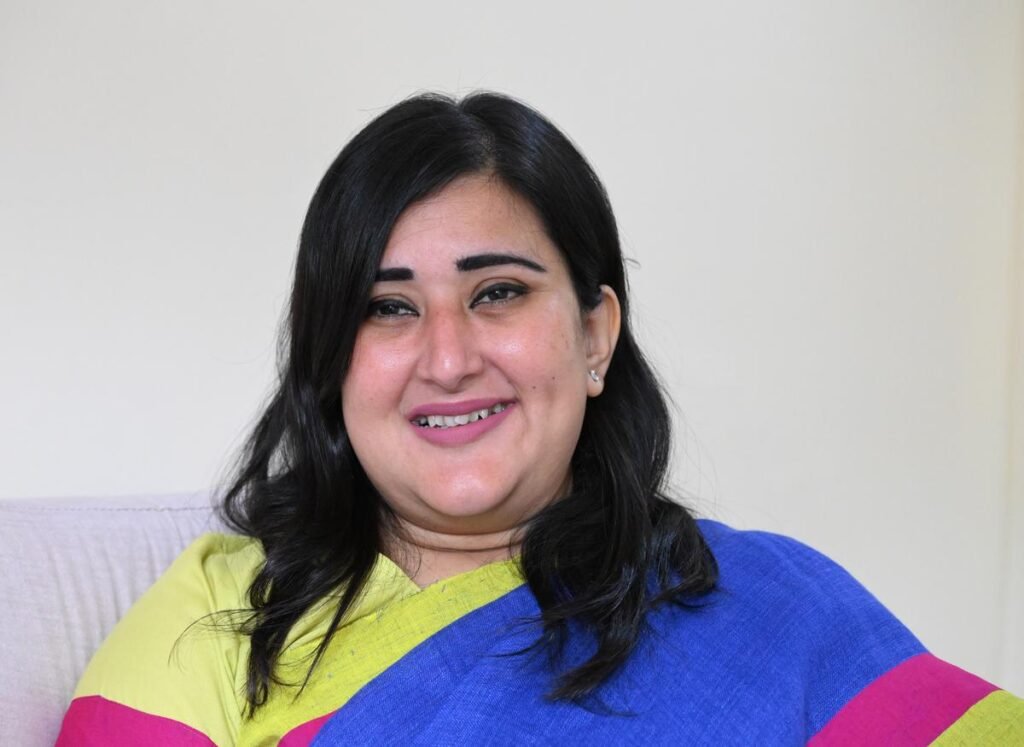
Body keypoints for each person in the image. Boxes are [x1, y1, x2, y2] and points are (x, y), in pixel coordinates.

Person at [58, 92, 1021, 745]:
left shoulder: (769, 610)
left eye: (498, 293)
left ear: (595, 334)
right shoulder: (222, 616)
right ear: (329, 356)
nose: (447, 358)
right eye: (387, 306)